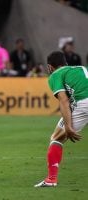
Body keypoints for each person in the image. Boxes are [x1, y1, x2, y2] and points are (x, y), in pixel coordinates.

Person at [34, 51, 85, 187]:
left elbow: (63, 100)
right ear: (66, 63)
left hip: (83, 103)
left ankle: (51, 179)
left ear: (50, 67)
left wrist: (68, 126)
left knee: (56, 138)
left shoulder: (55, 75)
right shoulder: (81, 68)